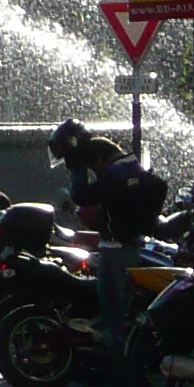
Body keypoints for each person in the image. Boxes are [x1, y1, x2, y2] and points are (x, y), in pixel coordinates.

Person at [73, 132, 161, 347]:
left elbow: (81, 196)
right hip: (130, 245)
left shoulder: (115, 175)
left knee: (113, 313)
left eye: (94, 167)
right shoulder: (133, 169)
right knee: (121, 310)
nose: (97, 173)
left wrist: (78, 170)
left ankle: (117, 366)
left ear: (101, 159)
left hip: (116, 251)